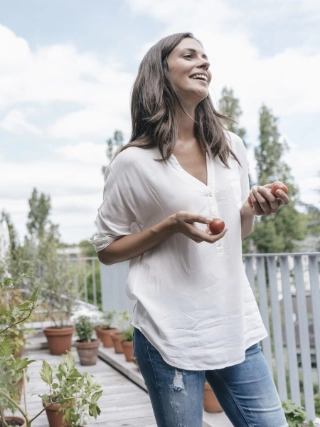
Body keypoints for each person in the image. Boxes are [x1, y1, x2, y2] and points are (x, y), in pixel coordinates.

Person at [90, 32, 289, 427]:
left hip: (236, 326)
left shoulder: (231, 147)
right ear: (160, 71)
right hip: (170, 334)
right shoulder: (132, 162)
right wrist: (169, 227)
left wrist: (250, 209)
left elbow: (237, 233)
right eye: (189, 55)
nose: (204, 63)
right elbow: (106, 248)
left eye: (205, 57)